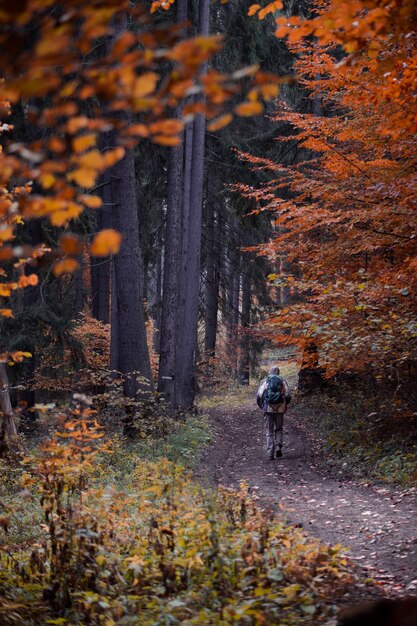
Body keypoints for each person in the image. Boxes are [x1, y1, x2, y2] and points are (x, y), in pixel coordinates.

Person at [256, 366, 291, 460]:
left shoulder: (265, 381)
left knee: (269, 431)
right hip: (280, 409)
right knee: (279, 429)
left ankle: (270, 452)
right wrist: (284, 404)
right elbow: (288, 395)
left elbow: (259, 395)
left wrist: (261, 405)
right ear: (278, 372)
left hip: (268, 409)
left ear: (270, 372)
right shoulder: (282, 381)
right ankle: (278, 447)